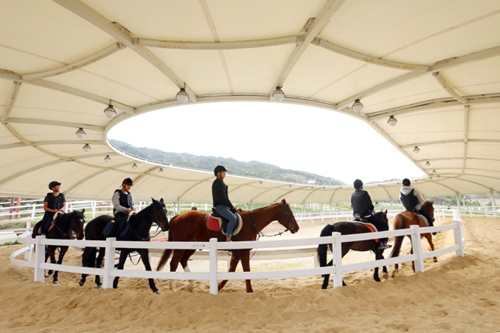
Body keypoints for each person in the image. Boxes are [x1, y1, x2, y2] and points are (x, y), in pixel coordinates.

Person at [351, 179, 391, 249]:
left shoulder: (353, 194)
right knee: (384, 224)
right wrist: (372, 210)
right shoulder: (364, 193)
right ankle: (381, 243)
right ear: (361, 186)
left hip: (356, 216)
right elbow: (370, 205)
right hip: (366, 216)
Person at [212, 165, 237, 241]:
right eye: (223, 172)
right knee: (233, 219)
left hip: (224, 206)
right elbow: (223, 198)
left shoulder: (220, 182)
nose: (224, 174)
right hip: (220, 206)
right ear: (218, 173)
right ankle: (228, 237)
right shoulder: (218, 183)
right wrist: (231, 206)